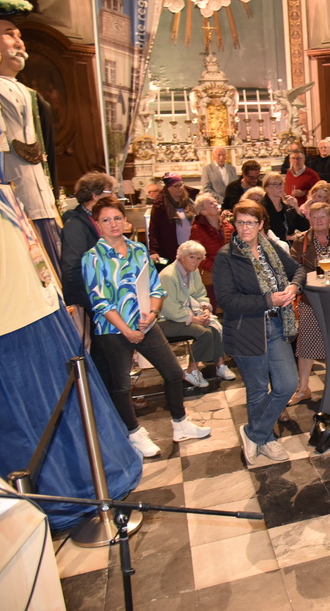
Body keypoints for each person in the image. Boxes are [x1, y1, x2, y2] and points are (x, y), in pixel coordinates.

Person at [82, 197, 211, 458]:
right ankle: (134, 433)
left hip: (147, 324)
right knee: (121, 386)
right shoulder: (92, 258)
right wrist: (127, 330)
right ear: (97, 224)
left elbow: (155, 287)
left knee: (174, 372)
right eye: (105, 220)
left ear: (125, 220)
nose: (113, 224)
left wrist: (152, 314)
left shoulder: (138, 250)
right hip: (113, 330)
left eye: (117, 218)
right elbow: (100, 301)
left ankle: (180, 423)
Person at [214, 199, 306, 467]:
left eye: (250, 223)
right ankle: (265, 439)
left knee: (287, 384)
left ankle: (254, 433)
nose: (244, 228)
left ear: (261, 224)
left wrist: (293, 288)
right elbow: (227, 300)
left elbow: (298, 269)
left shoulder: (270, 249)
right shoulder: (226, 256)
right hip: (247, 330)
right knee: (257, 390)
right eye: (240, 222)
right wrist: (269, 301)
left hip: (276, 326)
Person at [0, 10, 61, 274]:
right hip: (10, 209)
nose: (19, 42)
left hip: (41, 202)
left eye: (20, 36)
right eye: (9, 34)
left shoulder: (33, 96)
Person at [288, 202, 330, 405]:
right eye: (315, 217)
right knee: (306, 343)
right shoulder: (301, 241)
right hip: (310, 299)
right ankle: (303, 388)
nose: (319, 221)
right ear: (309, 219)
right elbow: (294, 269)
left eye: (323, 217)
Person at [158, 240, 235, 388]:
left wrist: (205, 310)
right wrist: (195, 319)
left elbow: (200, 294)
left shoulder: (192, 273)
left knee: (214, 326)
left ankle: (220, 365)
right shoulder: (168, 275)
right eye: (192, 257)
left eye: (199, 258)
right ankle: (191, 370)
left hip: (186, 314)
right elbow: (169, 308)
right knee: (204, 332)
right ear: (181, 256)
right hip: (166, 321)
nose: (196, 262)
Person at [61, 171, 116, 320]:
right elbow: (72, 268)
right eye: (109, 192)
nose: (114, 197)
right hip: (91, 298)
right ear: (94, 195)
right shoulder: (75, 224)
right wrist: (93, 301)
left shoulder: (94, 219)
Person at [188, 193, 234, 311]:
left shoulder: (227, 225)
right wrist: (217, 268)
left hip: (230, 269)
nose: (215, 204)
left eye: (215, 202)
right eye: (211, 203)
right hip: (211, 272)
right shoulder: (197, 229)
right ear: (203, 211)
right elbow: (197, 256)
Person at [148, 172, 197, 264]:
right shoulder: (160, 205)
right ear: (168, 188)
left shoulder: (189, 199)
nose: (180, 188)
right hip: (171, 248)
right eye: (176, 186)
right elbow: (154, 229)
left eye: (181, 185)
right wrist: (153, 250)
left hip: (192, 247)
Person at [262, 172, 309, 243]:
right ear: (266, 188)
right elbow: (263, 233)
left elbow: (304, 228)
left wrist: (296, 208)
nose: (280, 187)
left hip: (290, 248)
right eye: (275, 184)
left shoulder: (287, 205)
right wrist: (288, 237)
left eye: (281, 183)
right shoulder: (261, 208)